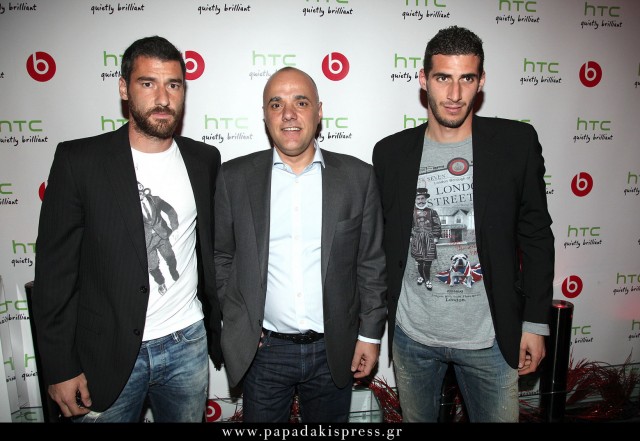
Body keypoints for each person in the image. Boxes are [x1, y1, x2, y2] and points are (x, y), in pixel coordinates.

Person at [32, 35, 223, 422]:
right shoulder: (79, 161)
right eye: (148, 83)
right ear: (124, 88)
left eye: (173, 85)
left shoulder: (204, 159)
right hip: (106, 353)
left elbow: (209, 250)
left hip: (187, 343)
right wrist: (60, 366)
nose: (163, 98)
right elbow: (54, 273)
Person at [372, 26, 554, 422]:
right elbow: (380, 246)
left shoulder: (516, 144)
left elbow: (537, 236)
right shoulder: (390, 153)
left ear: (481, 81)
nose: (454, 94)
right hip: (412, 336)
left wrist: (536, 323)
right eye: (443, 78)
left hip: (491, 338)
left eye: (466, 79)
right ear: (423, 79)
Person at [214, 67, 387, 423]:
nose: (289, 114)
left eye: (301, 102)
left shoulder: (358, 177)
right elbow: (221, 257)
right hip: (264, 352)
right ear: (265, 115)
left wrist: (369, 335)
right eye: (276, 104)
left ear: (319, 112)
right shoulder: (234, 178)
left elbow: (370, 263)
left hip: (333, 350)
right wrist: (239, 320)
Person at [410, 187, 441, 291]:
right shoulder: (412, 212)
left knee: (428, 262)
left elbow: (437, 225)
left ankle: (427, 279)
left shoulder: (432, 212)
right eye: (418, 199)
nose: (421, 201)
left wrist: (436, 237)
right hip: (417, 240)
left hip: (429, 240)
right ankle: (421, 276)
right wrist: (411, 236)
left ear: (426, 199)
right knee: (419, 261)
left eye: (422, 198)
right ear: (415, 200)